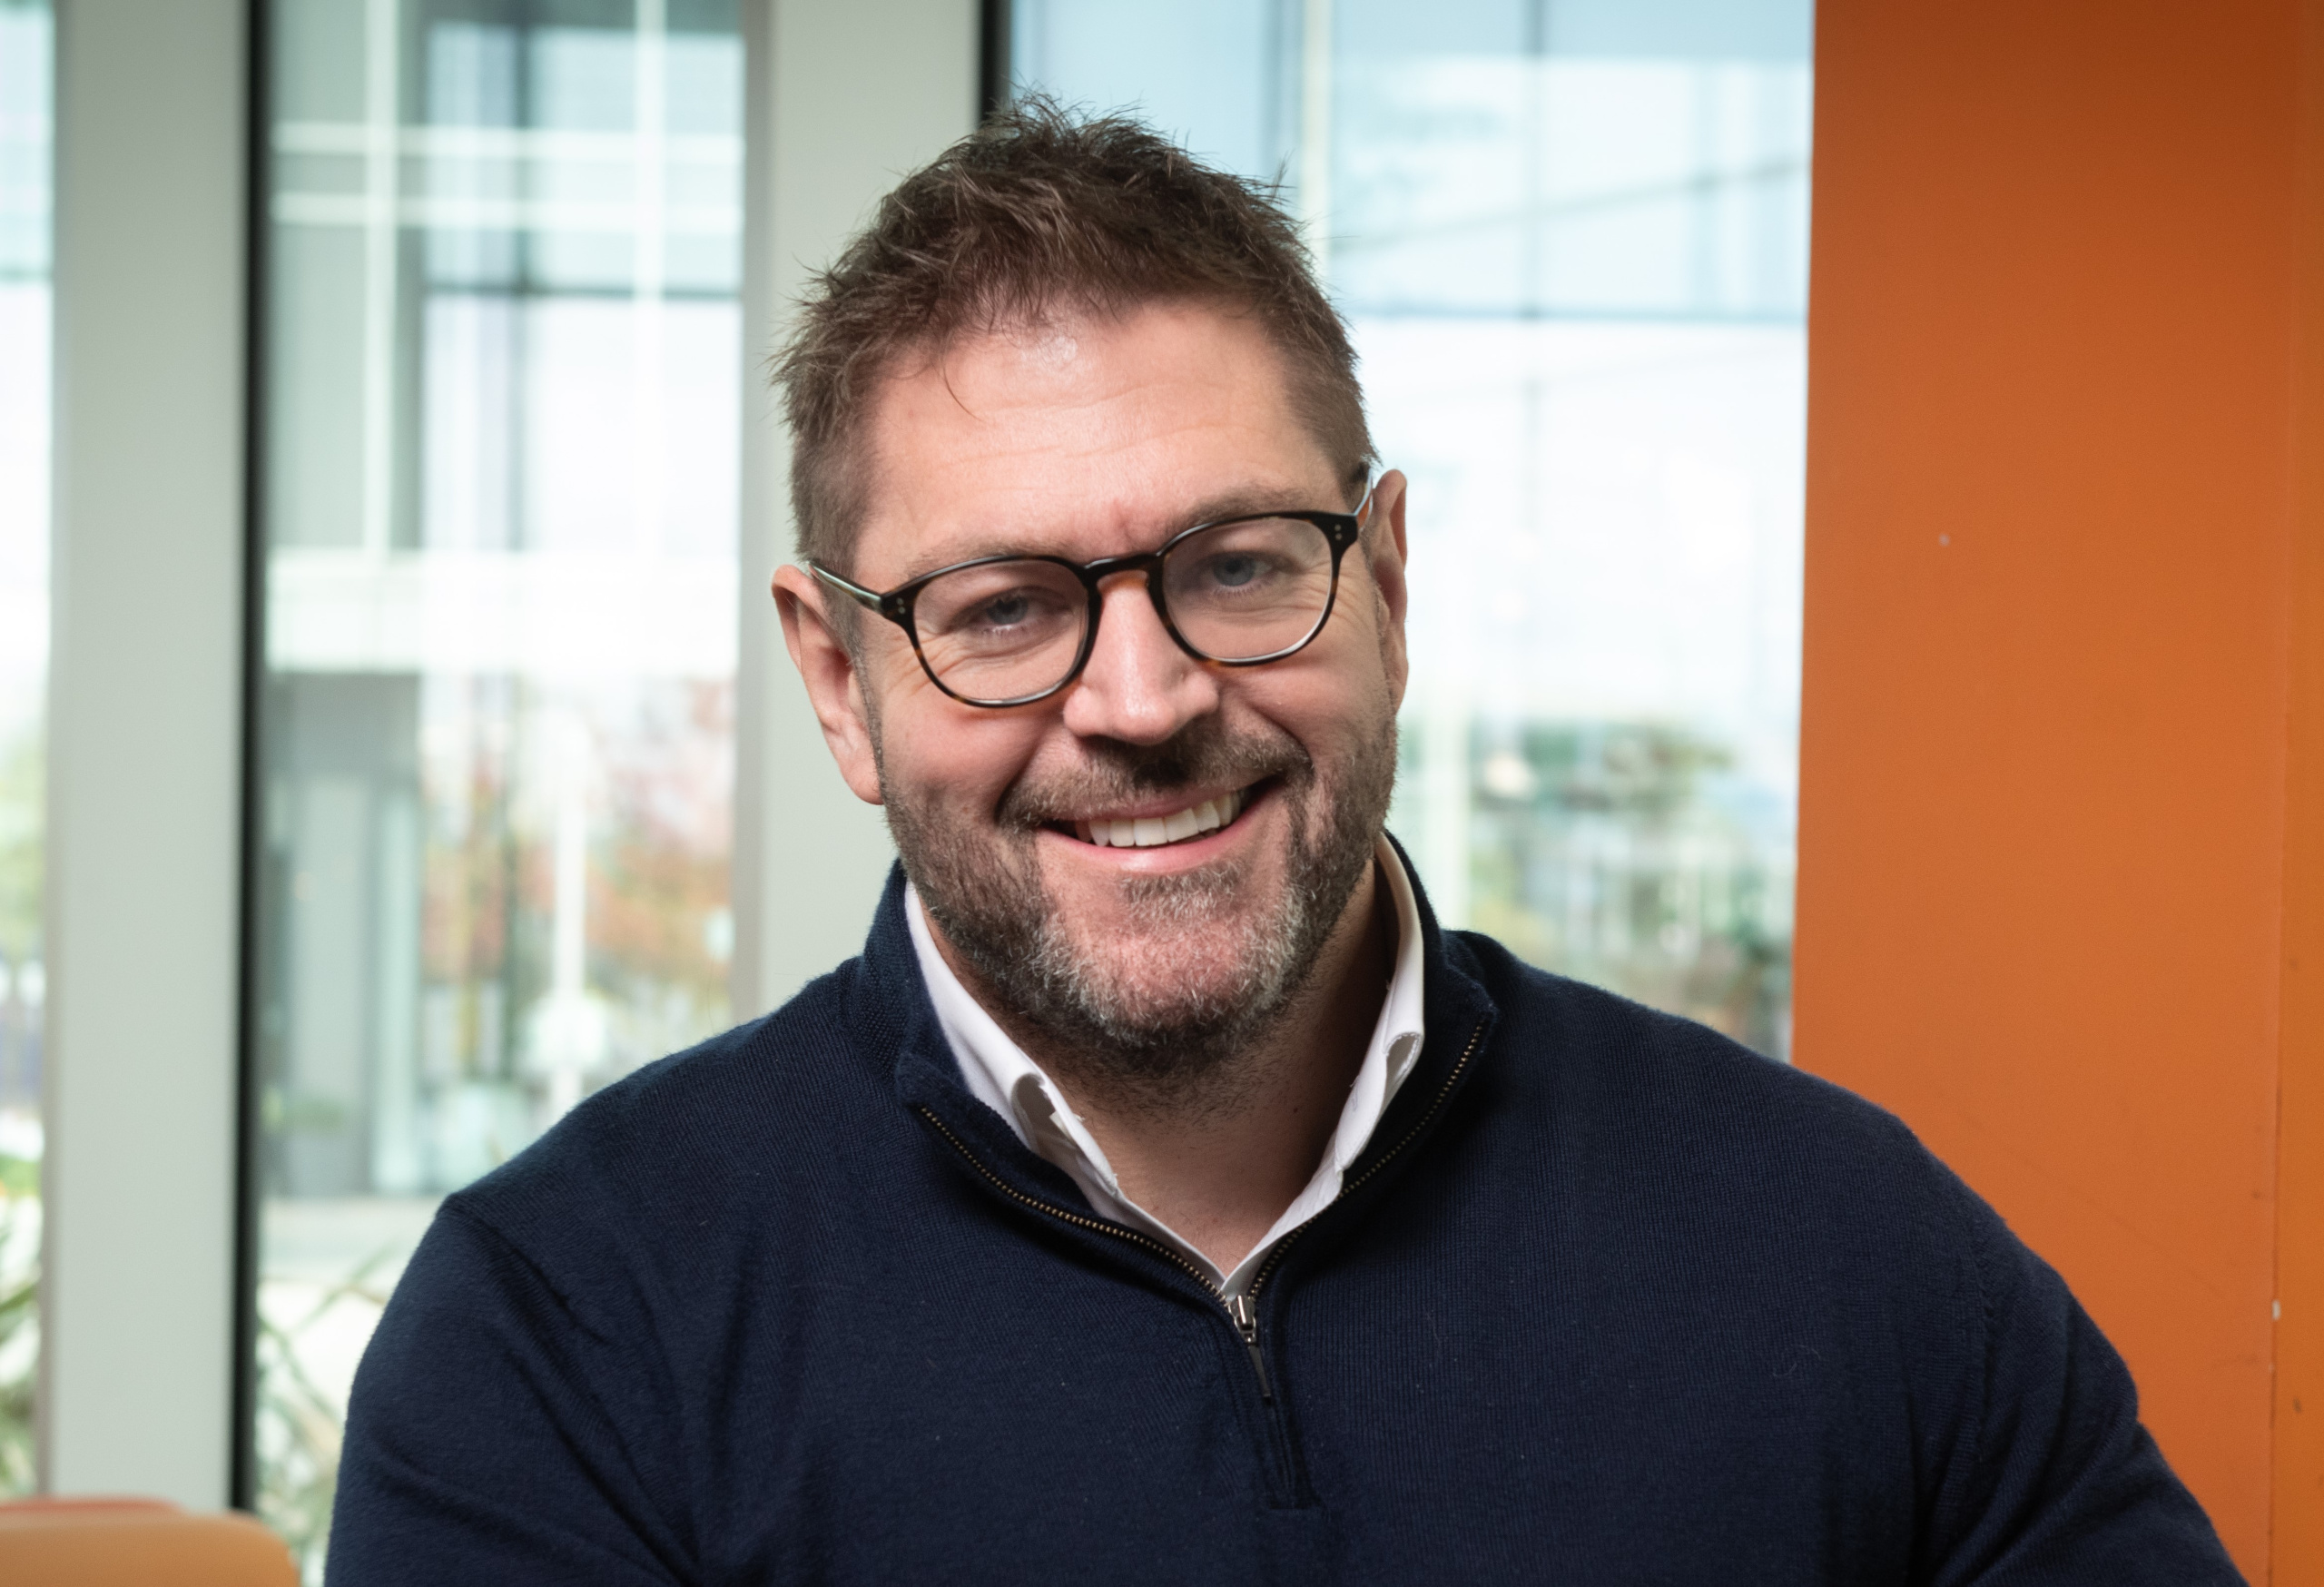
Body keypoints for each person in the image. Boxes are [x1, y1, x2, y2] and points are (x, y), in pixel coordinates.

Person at [326, 104, 2241, 1584]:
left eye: (1239, 566)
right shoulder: (567, 1331)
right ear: (839, 681)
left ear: (1386, 584)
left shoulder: (1846, 1253)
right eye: (1004, 607)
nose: (1143, 697)